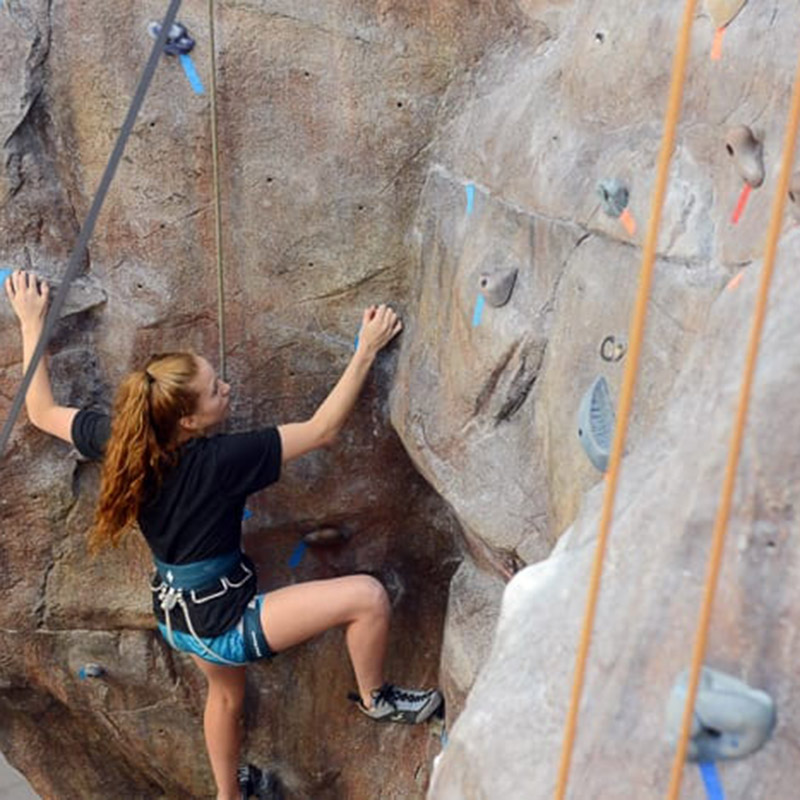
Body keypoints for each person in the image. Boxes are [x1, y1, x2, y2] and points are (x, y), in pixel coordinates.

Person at [5, 269, 442, 800]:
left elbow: (40, 410)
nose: (226, 389)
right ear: (187, 421)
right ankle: (377, 700)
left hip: (177, 616)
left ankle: (226, 795)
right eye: (215, 390)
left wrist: (31, 321)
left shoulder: (122, 440)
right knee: (367, 598)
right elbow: (323, 429)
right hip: (219, 622)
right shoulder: (220, 461)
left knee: (226, 695)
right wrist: (366, 350)